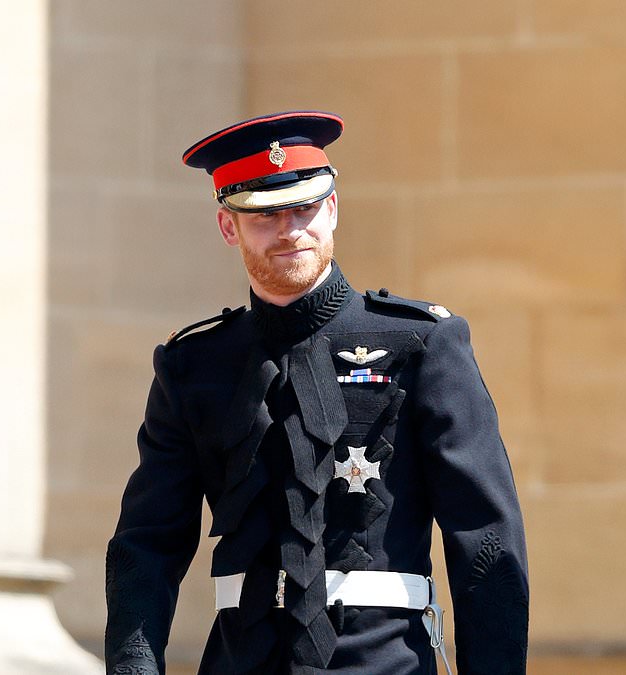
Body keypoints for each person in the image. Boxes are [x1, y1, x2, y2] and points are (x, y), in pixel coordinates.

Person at [105, 111, 529, 674]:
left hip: (384, 661)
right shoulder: (193, 364)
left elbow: (486, 537)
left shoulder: (421, 344)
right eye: (264, 215)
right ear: (228, 227)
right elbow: (146, 548)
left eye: (304, 207)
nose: (289, 230)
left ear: (332, 208)